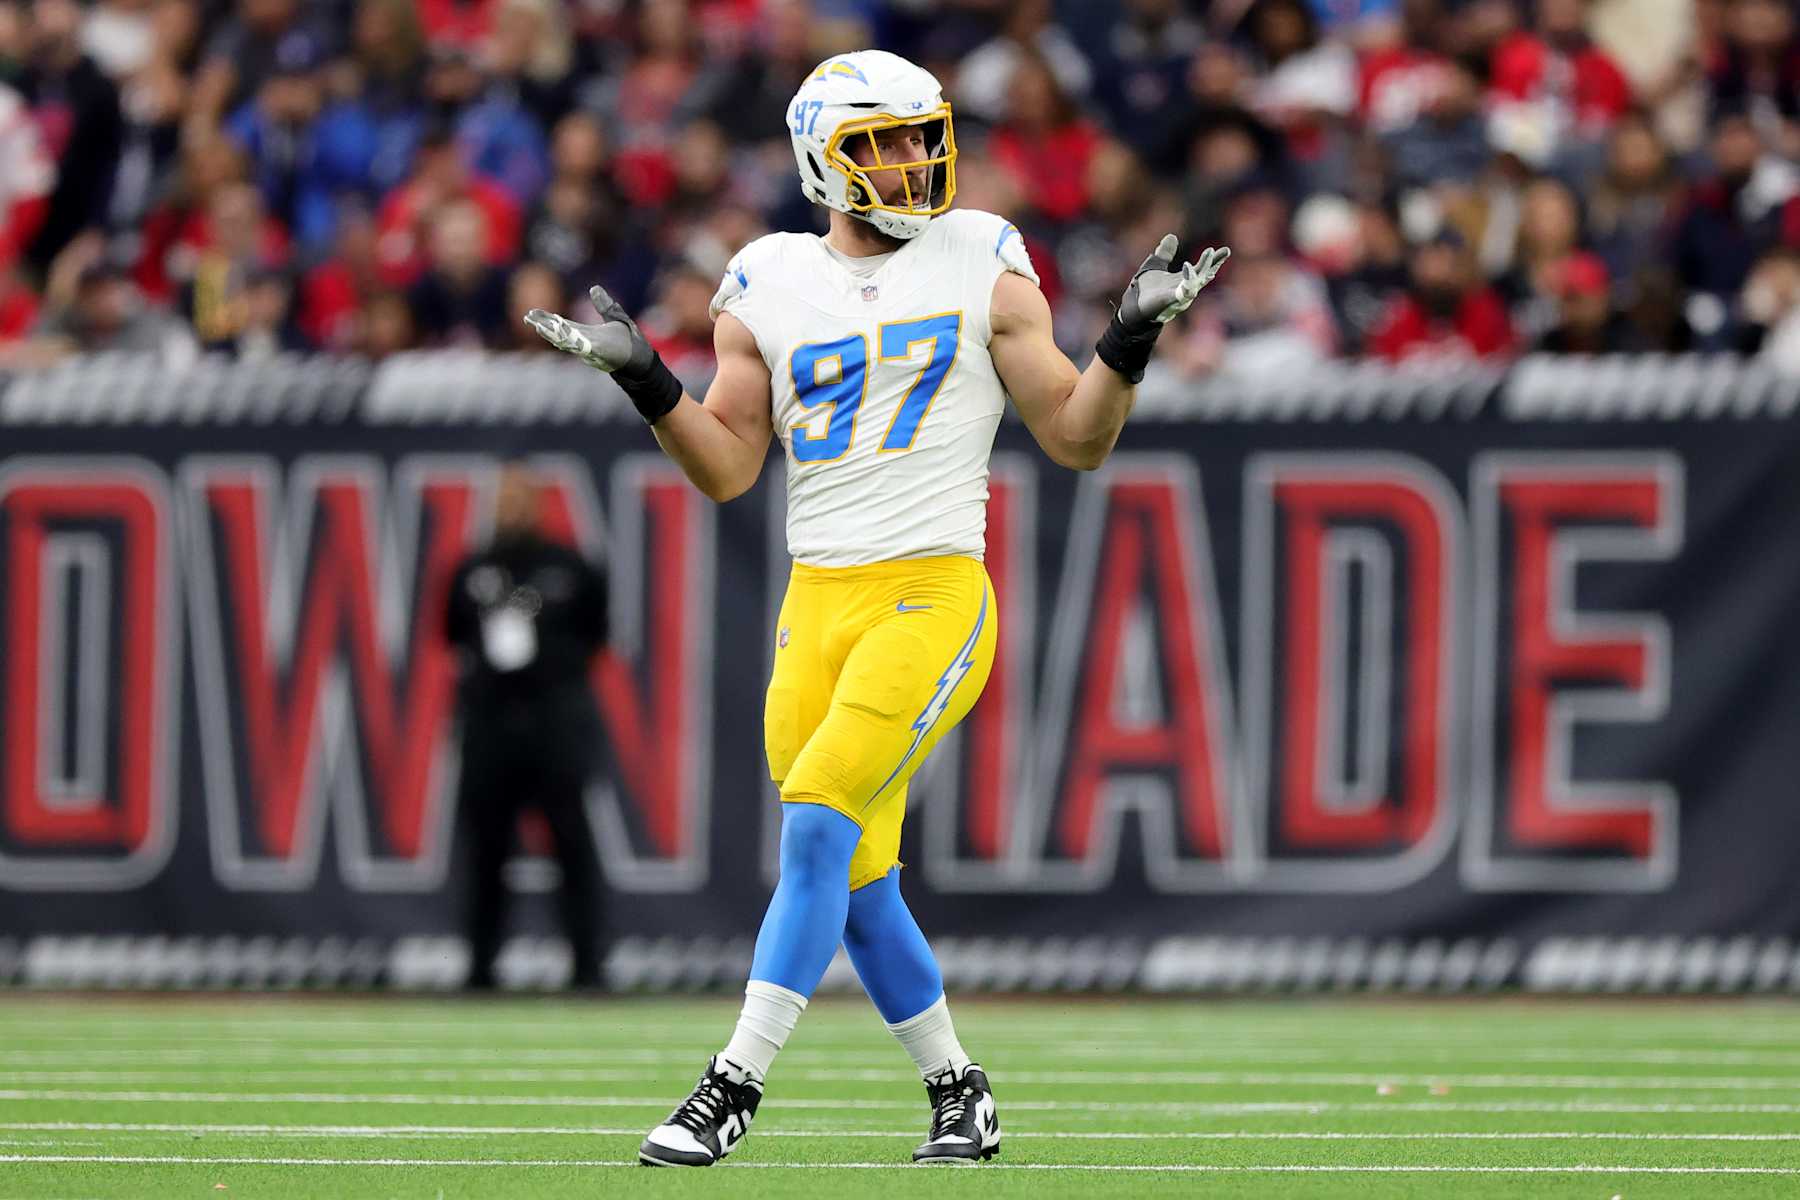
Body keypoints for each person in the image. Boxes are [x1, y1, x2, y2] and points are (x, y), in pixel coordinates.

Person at [526, 49, 1228, 1167]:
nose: (912, 160)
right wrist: (646, 381)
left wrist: (1130, 341)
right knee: (852, 880)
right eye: (883, 142)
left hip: (932, 591)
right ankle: (962, 1091)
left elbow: (1078, 437)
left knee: (814, 825)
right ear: (824, 158)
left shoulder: (981, 256)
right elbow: (724, 468)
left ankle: (729, 1088)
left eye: (920, 136)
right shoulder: (763, 278)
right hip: (819, 602)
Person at [443, 462, 610, 992]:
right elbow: (449, 636)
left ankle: (587, 966)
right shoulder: (472, 569)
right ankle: (479, 966)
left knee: (572, 844)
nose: (512, 508)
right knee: (485, 848)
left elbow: (596, 633)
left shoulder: (569, 566)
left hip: (553, 724)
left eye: (522, 497)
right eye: (504, 498)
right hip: (490, 726)